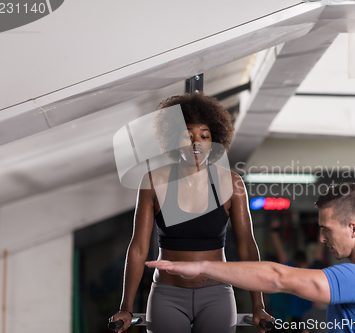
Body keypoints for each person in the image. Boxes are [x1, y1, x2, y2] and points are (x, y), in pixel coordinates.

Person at [109, 92, 272, 333]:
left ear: (214, 140)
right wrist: (127, 307)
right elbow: (139, 248)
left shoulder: (232, 184)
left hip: (217, 294)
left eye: (204, 136)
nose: (196, 143)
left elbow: (248, 246)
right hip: (167, 295)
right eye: (188, 135)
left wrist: (258, 305)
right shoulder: (153, 181)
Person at [147, 182, 355, 333]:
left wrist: (202, 266)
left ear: (353, 228)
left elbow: (277, 278)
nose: (321, 239)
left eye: (326, 230)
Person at [270, 218, 326, 332]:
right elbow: (319, 251)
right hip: (308, 317)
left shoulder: (292, 272)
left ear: (295, 262)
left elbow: (281, 253)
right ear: (306, 261)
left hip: (298, 318)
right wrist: (322, 229)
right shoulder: (311, 272)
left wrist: (274, 231)